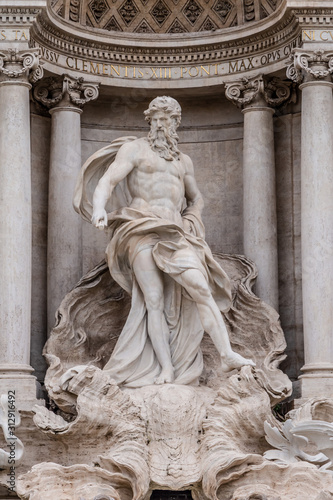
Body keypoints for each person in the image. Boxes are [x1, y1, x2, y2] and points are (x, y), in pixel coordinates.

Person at [74, 96, 254, 387]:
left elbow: (196, 198)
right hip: (140, 228)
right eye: (155, 119)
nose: (160, 124)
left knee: (200, 287)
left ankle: (227, 353)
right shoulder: (135, 150)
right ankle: (166, 369)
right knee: (153, 300)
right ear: (149, 121)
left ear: (175, 123)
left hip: (175, 232)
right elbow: (108, 181)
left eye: (165, 119)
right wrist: (98, 209)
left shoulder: (183, 162)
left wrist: (192, 219)